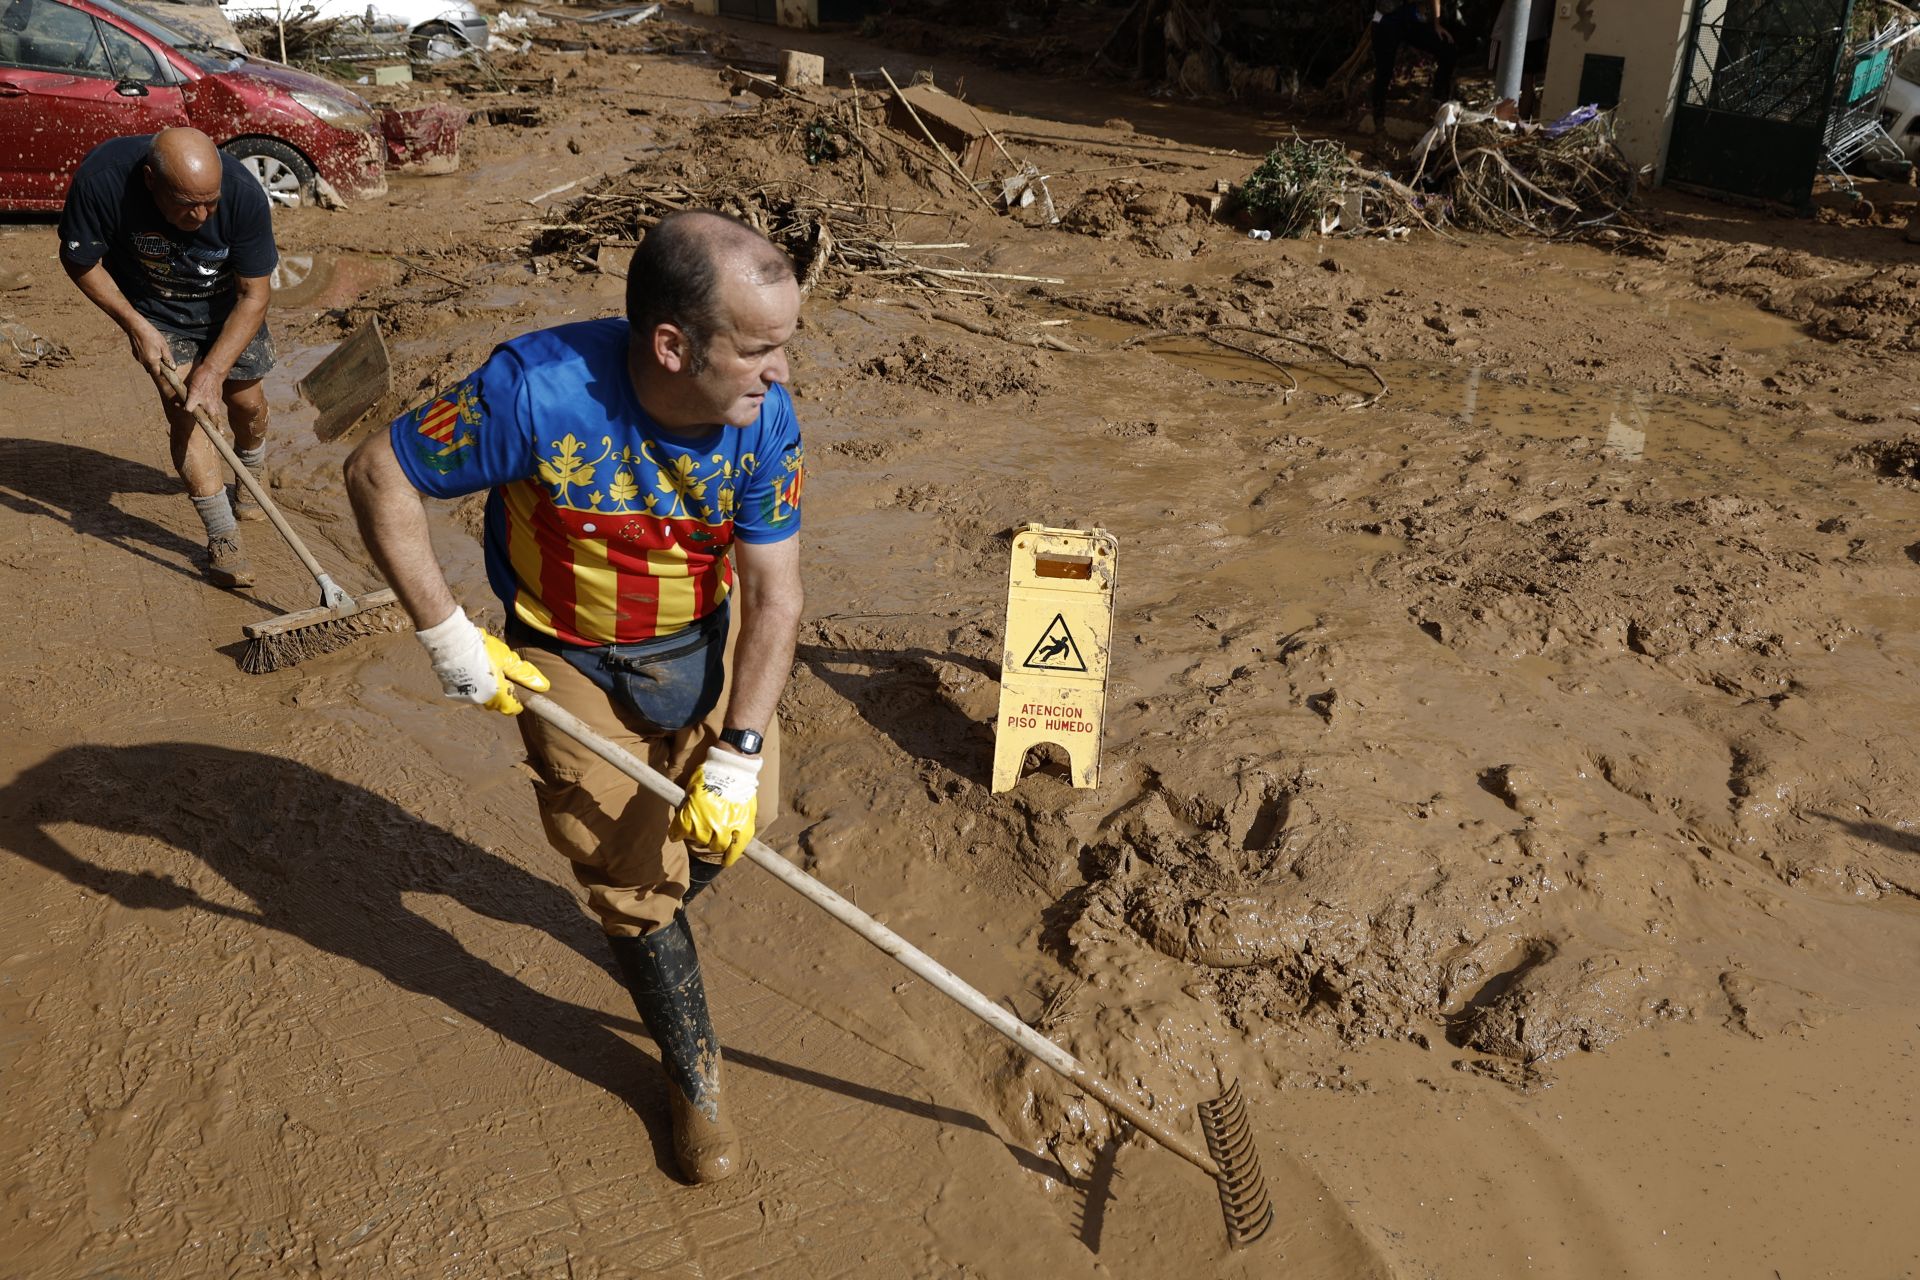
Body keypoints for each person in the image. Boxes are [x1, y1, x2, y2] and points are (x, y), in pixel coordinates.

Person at [343, 210, 806, 1186]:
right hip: (569, 661)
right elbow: (379, 468)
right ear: (674, 346)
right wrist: (447, 632)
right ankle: (694, 1072)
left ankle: (645, 902)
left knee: (737, 823)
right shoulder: (537, 393)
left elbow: (777, 596)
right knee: (636, 892)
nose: (781, 374)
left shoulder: (763, 418)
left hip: (698, 650)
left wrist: (739, 750)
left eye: (785, 346)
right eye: (760, 349)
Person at [60, 128, 279, 587]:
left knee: (247, 406)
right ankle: (223, 535)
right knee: (188, 412)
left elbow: (253, 294)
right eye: (186, 204)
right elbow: (81, 261)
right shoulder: (103, 182)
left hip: (228, 308)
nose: (200, 216)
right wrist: (134, 324)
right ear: (149, 181)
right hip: (156, 309)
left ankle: (252, 482)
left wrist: (214, 371)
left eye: (209, 203)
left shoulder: (243, 194)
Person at [1369, 0, 1459, 135]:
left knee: (1448, 48)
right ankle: (1378, 122)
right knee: (1384, 71)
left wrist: (1437, 24)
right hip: (1386, 20)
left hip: (1411, 20)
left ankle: (1438, 104)